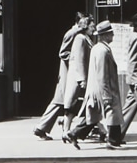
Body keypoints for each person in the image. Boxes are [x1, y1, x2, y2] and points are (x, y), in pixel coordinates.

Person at [31, 14, 98, 142]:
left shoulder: (80, 35)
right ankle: (51, 128)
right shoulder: (74, 33)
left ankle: (48, 127)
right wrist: (76, 63)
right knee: (63, 101)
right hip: (69, 73)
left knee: (65, 101)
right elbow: (63, 53)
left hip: (73, 73)